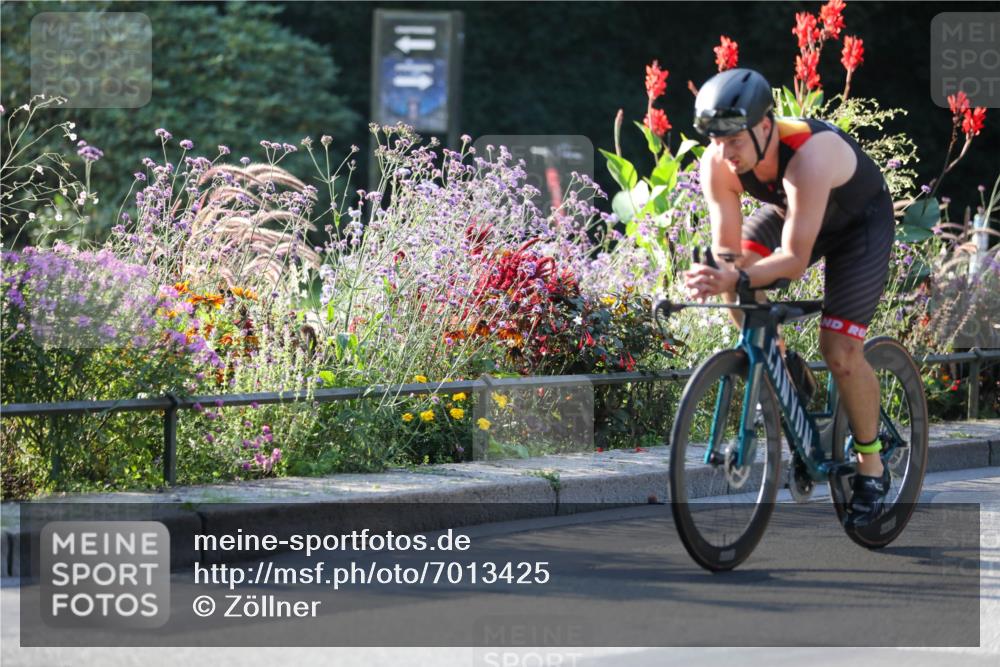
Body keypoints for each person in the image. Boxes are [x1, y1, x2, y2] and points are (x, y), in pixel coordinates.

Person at [683, 67, 893, 529]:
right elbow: (730, 252)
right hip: (791, 213)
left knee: (840, 351)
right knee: (738, 288)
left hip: (859, 225)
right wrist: (722, 274)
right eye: (714, 140)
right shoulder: (717, 162)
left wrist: (731, 275)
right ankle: (784, 369)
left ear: (764, 127)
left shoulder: (809, 156)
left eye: (734, 140)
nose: (724, 152)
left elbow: (794, 260)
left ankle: (872, 467)